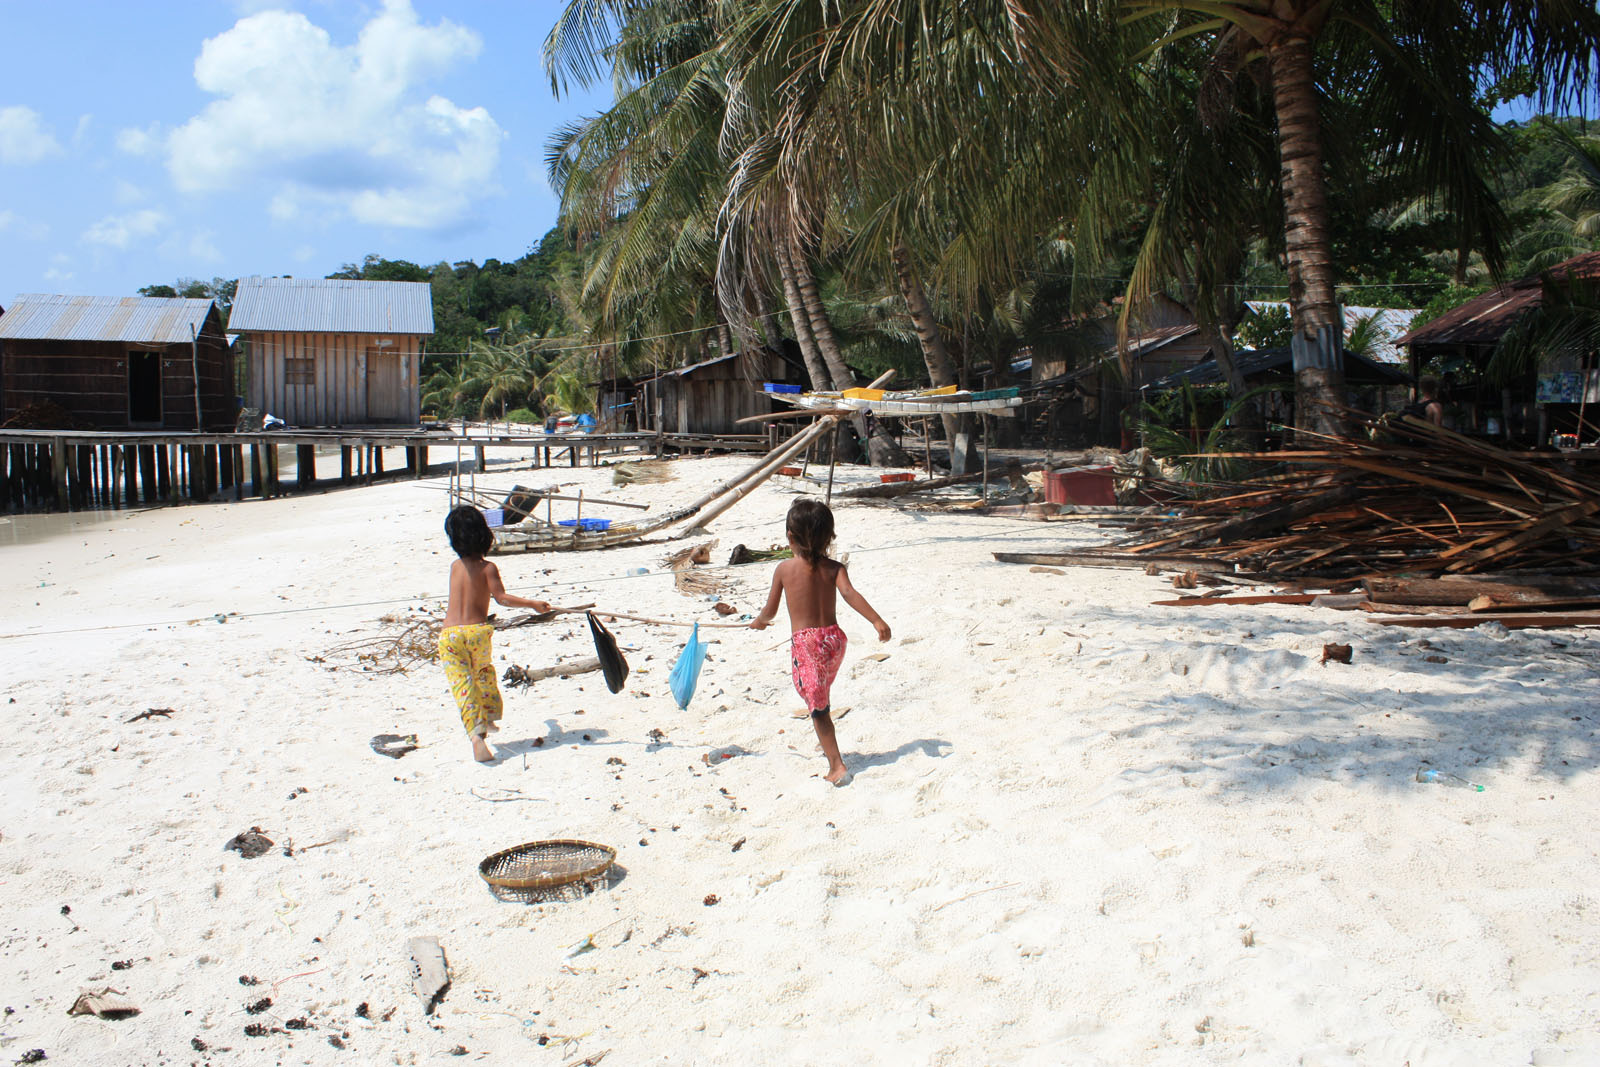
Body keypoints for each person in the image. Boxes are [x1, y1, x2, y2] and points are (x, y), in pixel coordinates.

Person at [751, 499, 891, 784]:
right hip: (834, 641)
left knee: (818, 708)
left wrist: (759, 622)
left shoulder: (784, 570)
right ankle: (827, 739)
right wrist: (876, 620)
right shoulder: (835, 567)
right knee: (820, 695)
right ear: (829, 537)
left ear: (790, 536)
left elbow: (770, 611)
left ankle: (836, 764)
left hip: (808, 645)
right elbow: (850, 594)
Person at [439, 506, 551, 761]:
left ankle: (476, 735)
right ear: (484, 535)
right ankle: (487, 718)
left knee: (462, 685)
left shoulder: (455, 566)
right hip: (477, 632)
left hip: (449, 635)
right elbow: (502, 599)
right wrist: (533, 604)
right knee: (484, 675)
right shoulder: (487, 567)